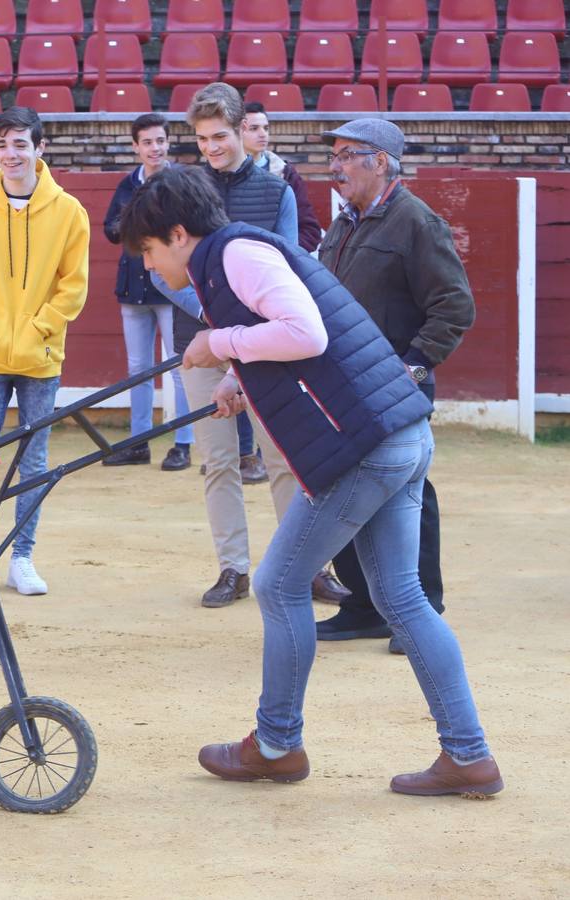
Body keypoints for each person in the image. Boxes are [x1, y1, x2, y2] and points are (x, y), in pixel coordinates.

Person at [119, 164, 502, 798]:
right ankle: (469, 755)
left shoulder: (235, 256)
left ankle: (275, 744)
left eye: (151, 252)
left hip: (366, 445)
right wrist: (238, 375)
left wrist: (220, 342)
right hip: (396, 432)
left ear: (179, 234)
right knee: (402, 598)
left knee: (278, 584)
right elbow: (301, 335)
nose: (152, 267)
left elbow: (305, 332)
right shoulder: (235, 253)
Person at [162, 83, 347, 609]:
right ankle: (232, 568)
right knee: (218, 460)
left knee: (285, 455)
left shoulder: (278, 190)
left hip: (268, 343)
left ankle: (307, 566)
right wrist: (213, 320)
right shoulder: (181, 190)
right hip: (200, 341)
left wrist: (238, 331)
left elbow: (291, 266)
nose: (212, 147)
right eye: (202, 139)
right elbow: (160, 272)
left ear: (244, 129)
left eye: (220, 135)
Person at [315, 119, 477, 654]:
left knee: (410, 495)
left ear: (379, 161)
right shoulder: (345, 224)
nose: (334, 166)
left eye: (345, 155)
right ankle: (364, 606)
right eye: (334, 156)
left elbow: (455, 306)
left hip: (395, 386)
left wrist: (414, 366)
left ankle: (422, 609)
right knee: (348, 487)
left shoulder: (416, 222)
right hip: (345, 386)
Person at [0, 106, 90, 597]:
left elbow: (73, 288)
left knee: (34, 463)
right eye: (3, 145)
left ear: (40, 148)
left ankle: (22, 556)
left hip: (41, 356)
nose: (11, 154)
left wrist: (38, 329)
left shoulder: (70, 211)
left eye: (20, 144)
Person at [100, 113, 193, 471]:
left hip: (171, 286)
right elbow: (111, 230)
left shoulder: (178, 182)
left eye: (160, 141)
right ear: (136, 147)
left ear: (167, 143)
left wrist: (135, 224)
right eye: (148, 142)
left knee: (177, 367)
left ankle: (182, 442)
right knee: (138, 367)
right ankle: (139, 442)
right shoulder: (129, 183)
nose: (155, 148)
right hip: (134, 286)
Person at [241, 101, 323, 254]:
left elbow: (310, 231)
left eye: (265, 128)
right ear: (238, 131)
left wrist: (284, 256)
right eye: (254, 128)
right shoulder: (221, 175)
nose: (262, 134)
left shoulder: (287, 174)